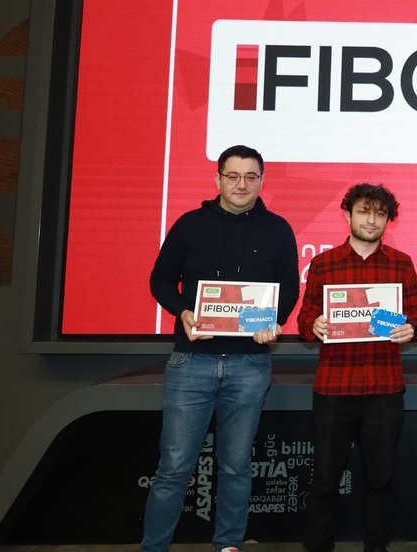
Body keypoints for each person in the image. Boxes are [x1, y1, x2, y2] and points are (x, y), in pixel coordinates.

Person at [142, 145, 300, 552]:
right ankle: (153, 547)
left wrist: (273, 321)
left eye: (250, 176)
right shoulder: (189, 224)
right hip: (191, 362)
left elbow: (289, 288)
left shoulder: (278, 229)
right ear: (218, 179)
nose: (241, 184)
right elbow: (160, 279)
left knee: (236, 467)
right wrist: (183, 311)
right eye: (233, 176)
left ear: (261, 181)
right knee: (174, 467)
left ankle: (228, 545)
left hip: (250, 364)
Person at [297, 183, 417, 552]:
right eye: (364, 211)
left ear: (388, 219)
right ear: (349, 214)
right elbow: (305, 317)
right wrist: (314, 325)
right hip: (334, 388)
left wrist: (411, 327)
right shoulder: (324, 263)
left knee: (381, 479)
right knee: (325, 480)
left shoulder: (401, 263)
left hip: (384, 388)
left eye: (380, 213)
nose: (371, 220)